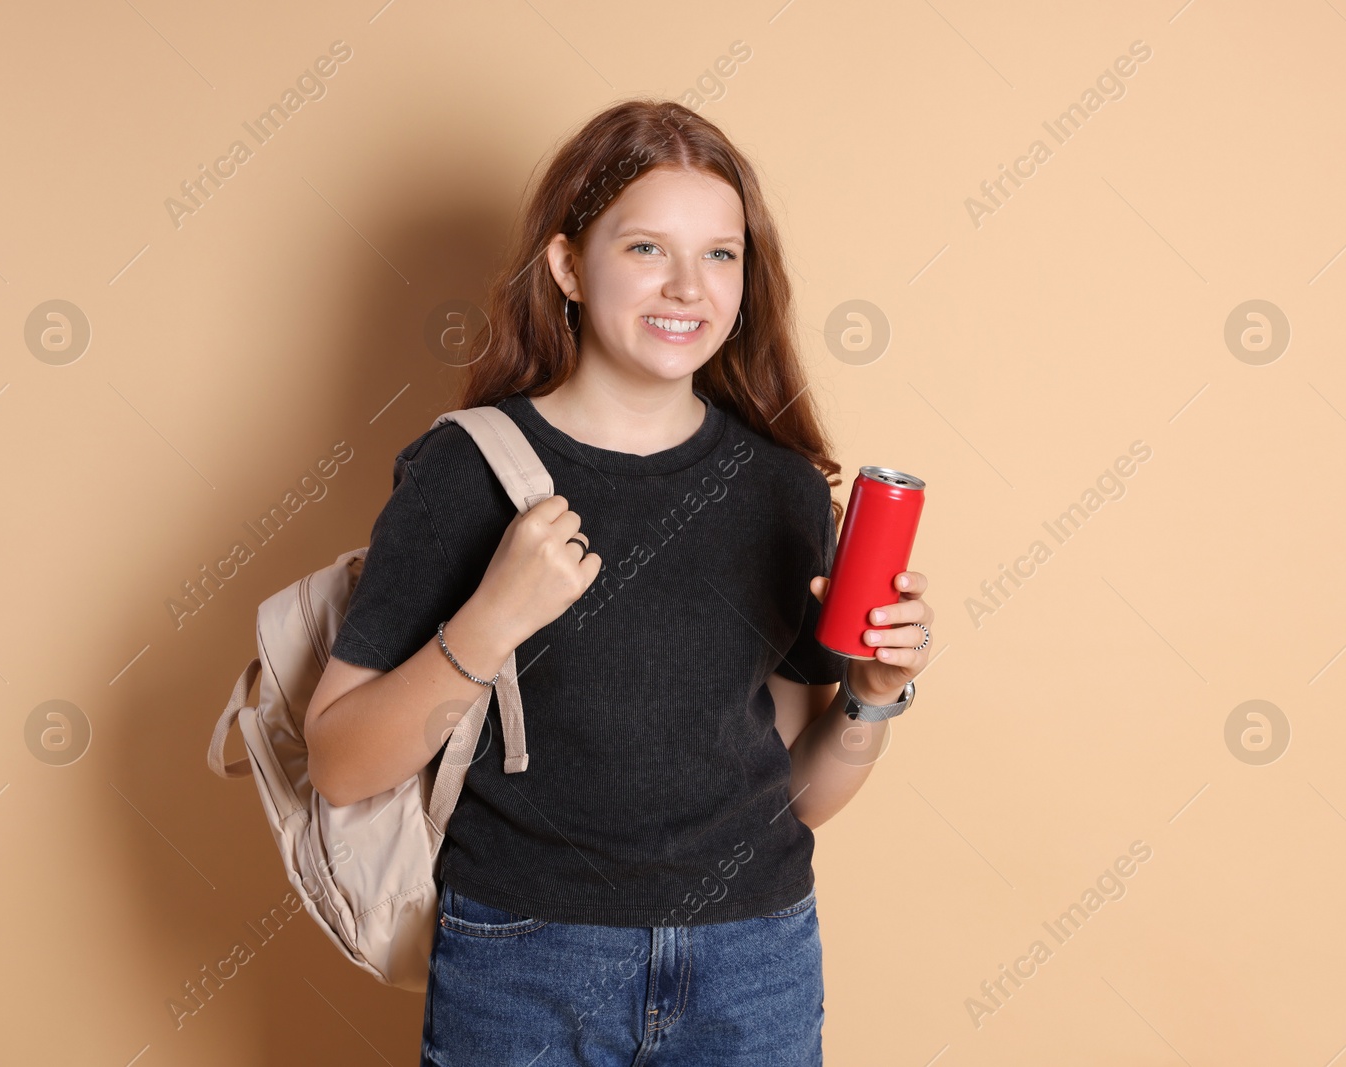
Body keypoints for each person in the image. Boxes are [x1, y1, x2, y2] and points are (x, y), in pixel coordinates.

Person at [302, 99, 933, 1066]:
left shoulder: (782, 491)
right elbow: (340, 763)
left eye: (722, 255)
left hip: (753, 962)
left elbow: (798, 796)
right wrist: (489, 620)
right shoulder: (465, 471)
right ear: (566, 266)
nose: (689, 286)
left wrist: (872, 701)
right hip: (524, 961)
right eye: (646, 248)